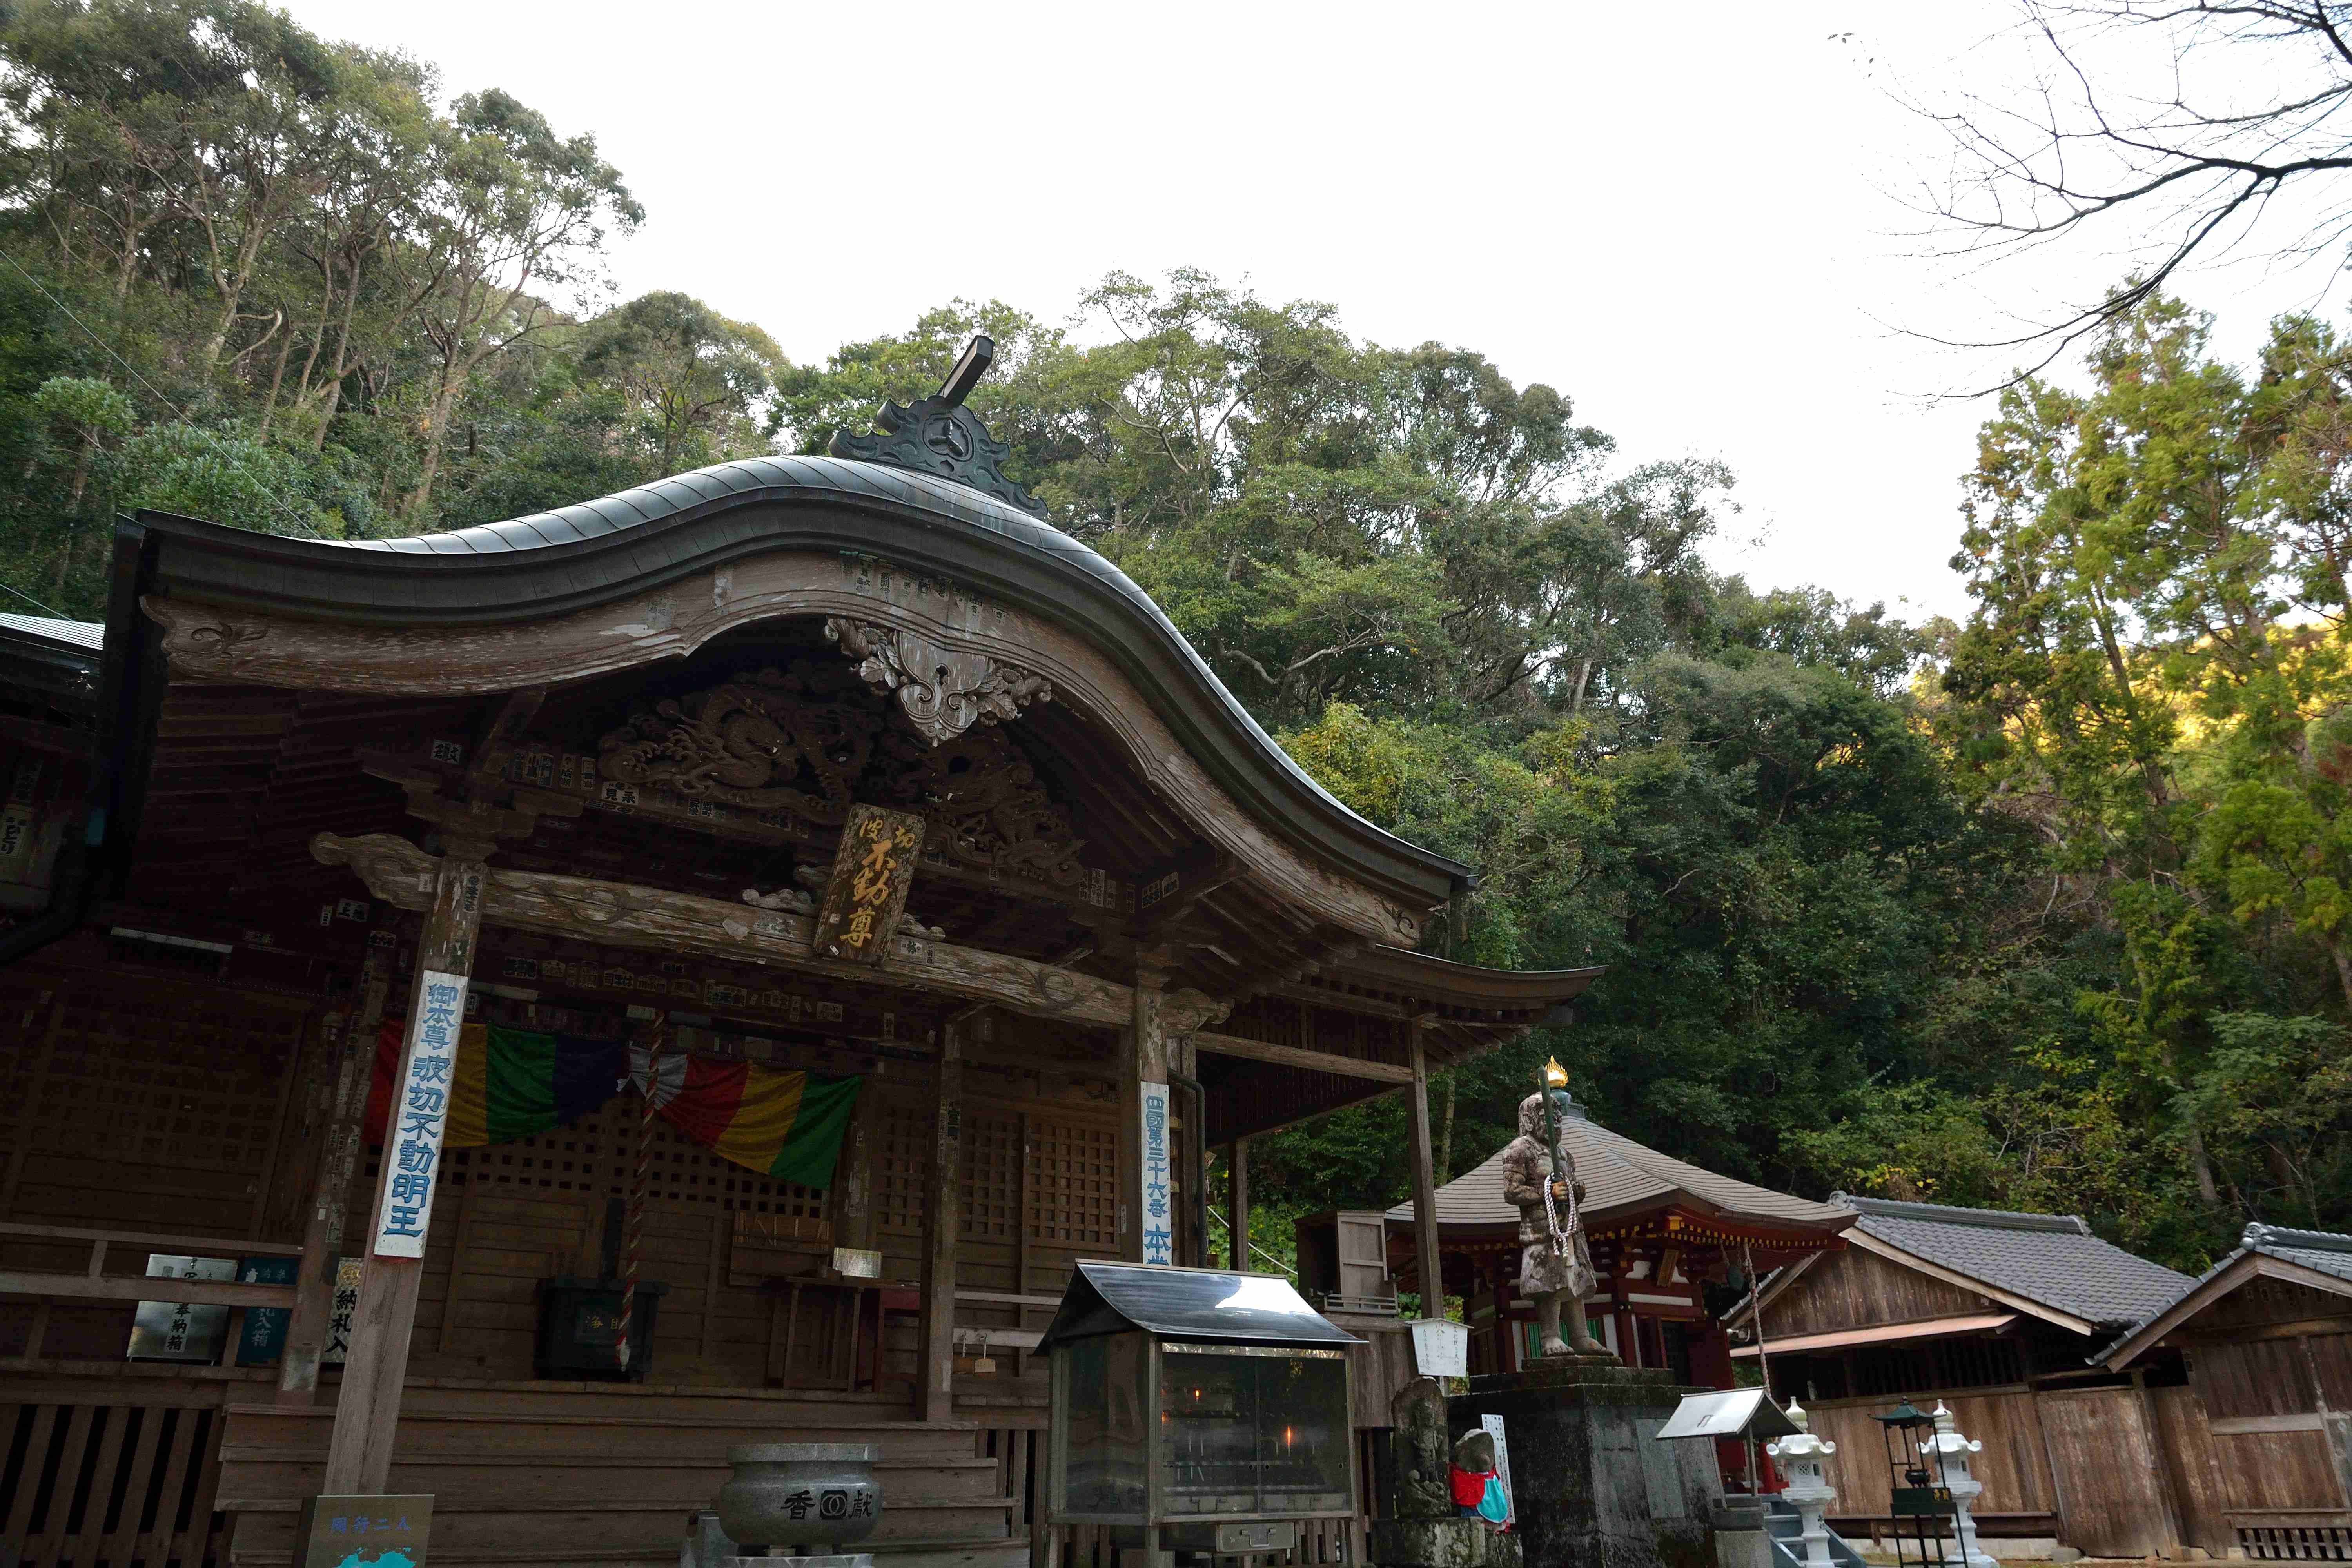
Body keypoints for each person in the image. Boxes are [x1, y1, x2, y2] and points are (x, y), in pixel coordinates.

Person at [1498, 1082, 1608, 1358]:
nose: (1556, 1121)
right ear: (1530, 1119)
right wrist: (1545, 1192)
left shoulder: (1564, 1155)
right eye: (1549, 1115)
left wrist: (1575, 1191)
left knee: (1574, 1279)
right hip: (1541, 1228)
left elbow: (1568, 1189)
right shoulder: (1520, 1149)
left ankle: (1581, 1336)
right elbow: (1512, 1191)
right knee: (1549, 1281)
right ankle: (1550, 1336)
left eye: (1558, 1116)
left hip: (1569, 1226)